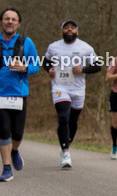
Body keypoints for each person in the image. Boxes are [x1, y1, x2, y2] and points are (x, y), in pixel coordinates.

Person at [0, 8, 40, 182]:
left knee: (18, 134)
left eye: (13, 19)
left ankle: (14, 150)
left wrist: (25, 68)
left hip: (19, 93)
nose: (10, 21)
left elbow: (36, 65)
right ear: (1, 22)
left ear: (18, 23)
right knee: (4, 130)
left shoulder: (26, 43)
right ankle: (6, 168)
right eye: (7, 18)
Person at [43, 19, 101, 169]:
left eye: (72, 28)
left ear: (77, 31)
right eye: (66, 28)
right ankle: (66, 152)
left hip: (78, 88)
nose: (69, 30)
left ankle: (66, 143)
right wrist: (49, 69)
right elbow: (46, 61)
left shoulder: (85, 47)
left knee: (73, 120)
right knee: (63, 116)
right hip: (59, 86)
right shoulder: (54, 46)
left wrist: (83, 70)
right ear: (61, 31)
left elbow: (97, 65)